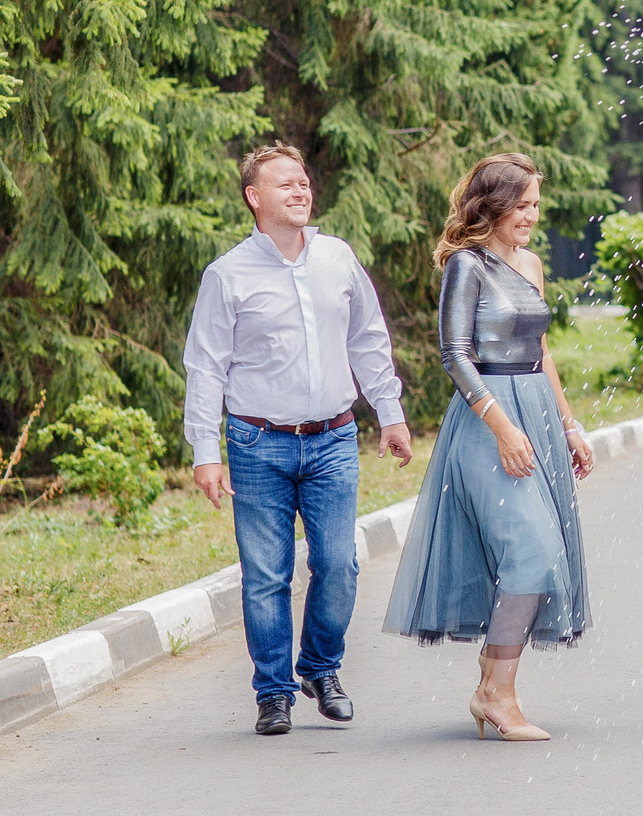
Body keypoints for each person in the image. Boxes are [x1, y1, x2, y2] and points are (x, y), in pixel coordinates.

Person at [184, 142, 412, 737]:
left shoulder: (338, 259)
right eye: (284, 183)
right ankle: (273, 691)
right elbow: (206, 367)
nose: (300, 190)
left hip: (334, 439)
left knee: (339, 565)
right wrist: (205, 452)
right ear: (254, 198)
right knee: (266, 575)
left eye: (304, 180)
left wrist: (390, 413)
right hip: (258, 444)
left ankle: (318, 668)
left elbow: (368, 339)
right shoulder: (227, 275)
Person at [382, 153, 593, 742]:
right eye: (521, 206)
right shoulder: (466, 266)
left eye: (534, 206)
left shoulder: (529, 262)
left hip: (539, 415)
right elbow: (456, 355)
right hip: (486, 421)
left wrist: (570, 425)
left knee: (540, 553)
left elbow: (542, 351)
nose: (531, 217)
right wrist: (503, 427)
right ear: (492, 205)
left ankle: (495, 684)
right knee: (532, 547)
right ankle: (496, 693)